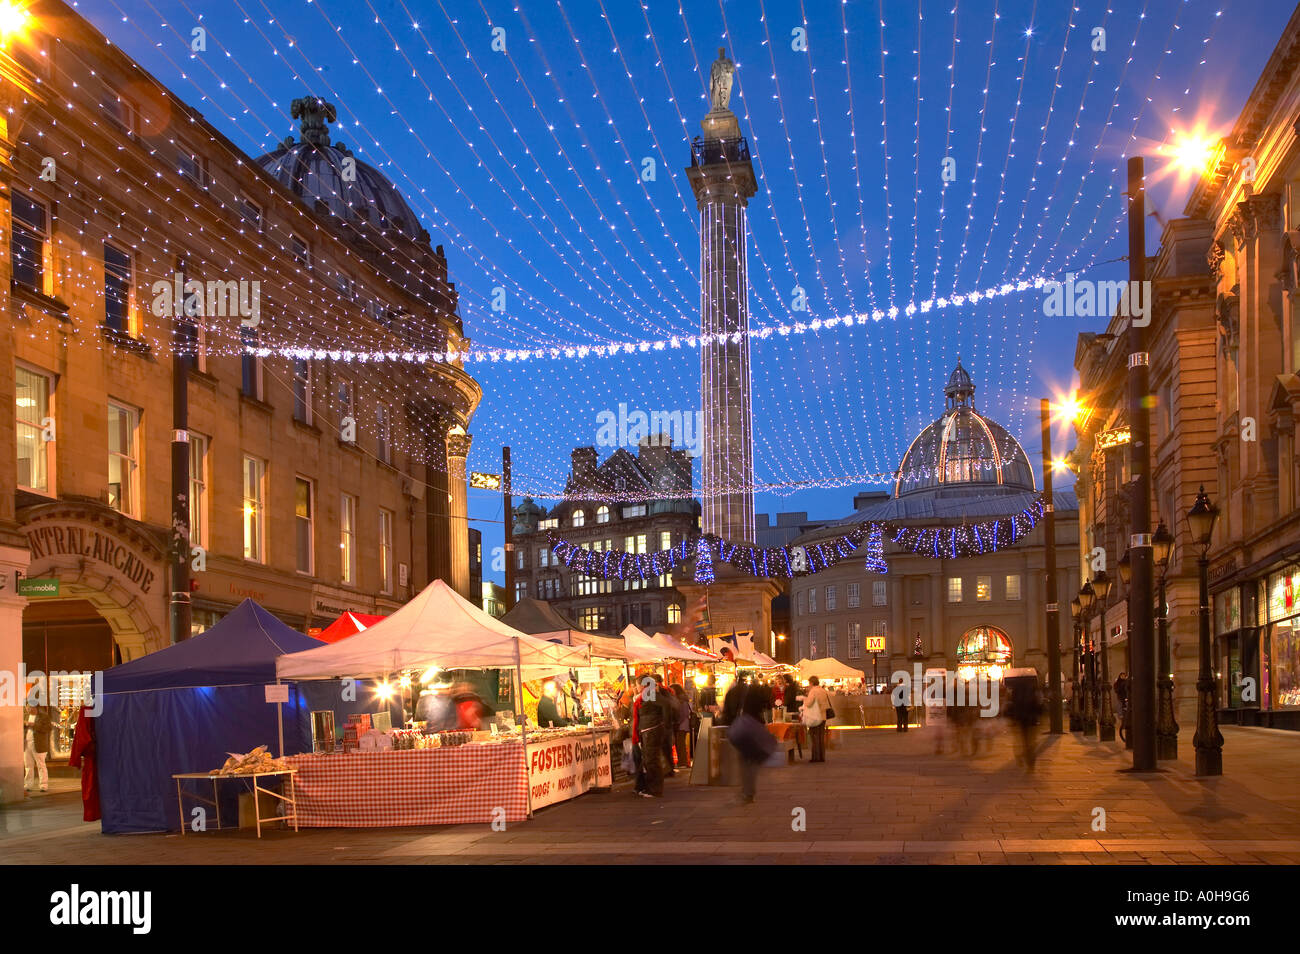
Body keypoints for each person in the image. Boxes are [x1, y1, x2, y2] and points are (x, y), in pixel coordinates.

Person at [632, 673, 671, 797]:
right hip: (648, 729)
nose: (636, 688)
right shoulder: (645, 696)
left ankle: (655, 790)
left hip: (652, 729)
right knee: (649, 760)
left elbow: (666, 705)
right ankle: (651, 788)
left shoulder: (650, 695)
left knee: (652, 760)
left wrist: (664, 723)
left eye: (637, 685)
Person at [1007, 677, 1044, 771]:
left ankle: (1021, 755)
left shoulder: (1016, 692)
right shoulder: (1033, 691)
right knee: (1031, 741)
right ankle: (1031, 761)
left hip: (1021, 719)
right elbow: (1038, 705)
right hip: (1031, 720)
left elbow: (1011, 705)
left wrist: (1012, 719)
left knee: (1022, 740)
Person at [23, 701, 53, 792]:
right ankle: (28, 784)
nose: (27, 709)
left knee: (41, 765)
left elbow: (48, 728)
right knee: (28, 765)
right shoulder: (25, 716)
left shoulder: (43, 716)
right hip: (27, 744)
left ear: (34, 707)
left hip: (39, 745)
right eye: (26, 707)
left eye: (28, 707)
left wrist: (33, 725)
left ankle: (43, 785)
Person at [801, 676, 832, 763]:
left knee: (814, 737)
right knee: (821, 737)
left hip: (815, 717)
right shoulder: (822, 690)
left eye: (809, 683)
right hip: (823, 716)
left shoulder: (813, 691)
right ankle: (822, 756)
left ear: (811, 682)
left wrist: (805, 699)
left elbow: (809, 703)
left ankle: (815, 757)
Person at [670, 684, 692, 769]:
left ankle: (682, 763)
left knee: (680, 744)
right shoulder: (680, 700)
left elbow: (683, 714)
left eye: (673, 690)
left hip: (681, 726)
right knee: (679, 744)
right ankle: (682, 762)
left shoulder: (682, 700)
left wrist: (677, 722)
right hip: (681, 725)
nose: (672, 692)